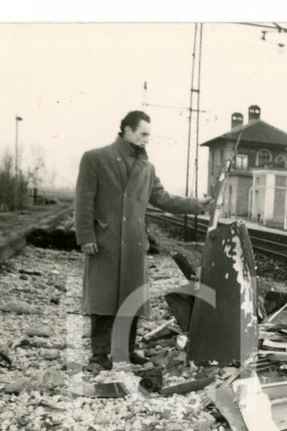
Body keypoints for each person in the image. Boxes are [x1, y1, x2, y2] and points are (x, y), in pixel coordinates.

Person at [74, 110, 211, 370]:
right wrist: (85, 236)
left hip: (135, 244)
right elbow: (83, 201)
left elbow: (165, 200)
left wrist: (197, 204)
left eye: (149, 135)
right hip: (105, 242)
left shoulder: (147, 168)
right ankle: (99, 357)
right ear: (126, 130)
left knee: (131, 299)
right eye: (143, 134)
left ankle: (125, 352)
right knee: (102, 302)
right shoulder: (95, 158)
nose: (147, 139)